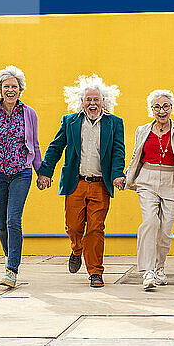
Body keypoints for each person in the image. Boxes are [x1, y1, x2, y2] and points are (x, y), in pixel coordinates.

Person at [36, 74, 126, 288]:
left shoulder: (114, 123)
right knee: (73, 226)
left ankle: (95, 272)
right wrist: (45, 172)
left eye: (96, 100)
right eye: (89, 100)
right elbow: (56, 147)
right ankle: (77, 249)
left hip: (100, 184)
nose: (92, 104)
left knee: (96, 228)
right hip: (75, 183)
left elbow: (117, 150)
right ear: (82, 101)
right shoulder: (70, 121)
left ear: (104, 101)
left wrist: (117, 174)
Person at [0, 65, 42, 288]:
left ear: (21, 89)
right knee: (1, 224)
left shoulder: (29, 113)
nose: (10, 90)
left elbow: (35, 146)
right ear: (0, 89)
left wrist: (42, 173)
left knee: (13, 220)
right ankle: (10, 255)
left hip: (22, 172)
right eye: (6, 86)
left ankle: (12, 269)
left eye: (14, 86)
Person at [124, 90, 174, 290]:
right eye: (157, 107)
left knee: (165, 229)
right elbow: (135, 156)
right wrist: (127, 177)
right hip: (147, 178)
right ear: (151, 109)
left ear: (172, 108)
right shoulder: (142, 130)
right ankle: (147, 271)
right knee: (149, 221)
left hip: (173, 179)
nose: (161, 111)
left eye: (165, 106)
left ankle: (159, 267)